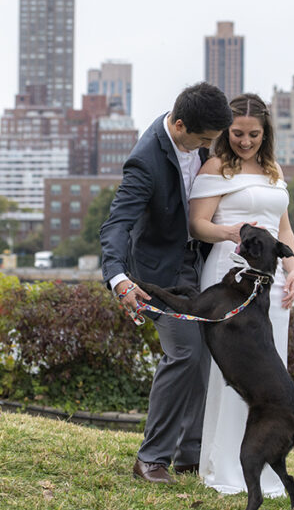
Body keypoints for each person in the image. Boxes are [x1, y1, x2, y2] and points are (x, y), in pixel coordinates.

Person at [100, 82, 235, 485]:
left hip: (202, 267)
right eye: (205, 140)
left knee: (208, 355)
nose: (210, 146)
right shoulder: (145, 161)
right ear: (179, 125)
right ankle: (150, 459)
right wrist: (118, 278)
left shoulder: (203, 145)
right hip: (161, 275)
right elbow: (117, 225)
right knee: (184, 354)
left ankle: (189, 455)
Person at [187, 92, 294, 498]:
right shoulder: (216, 166)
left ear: (265, 132)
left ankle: (265, 469)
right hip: (230, 273)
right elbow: (198, 224)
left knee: (270, 371)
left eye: (254, 134)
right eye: (237, 133)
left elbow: (281, 225)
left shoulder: (273, 168)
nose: (246, 141)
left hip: (270, 283)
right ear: (225, 131)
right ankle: (224, 467)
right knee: (233, 371)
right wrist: (231, 232)